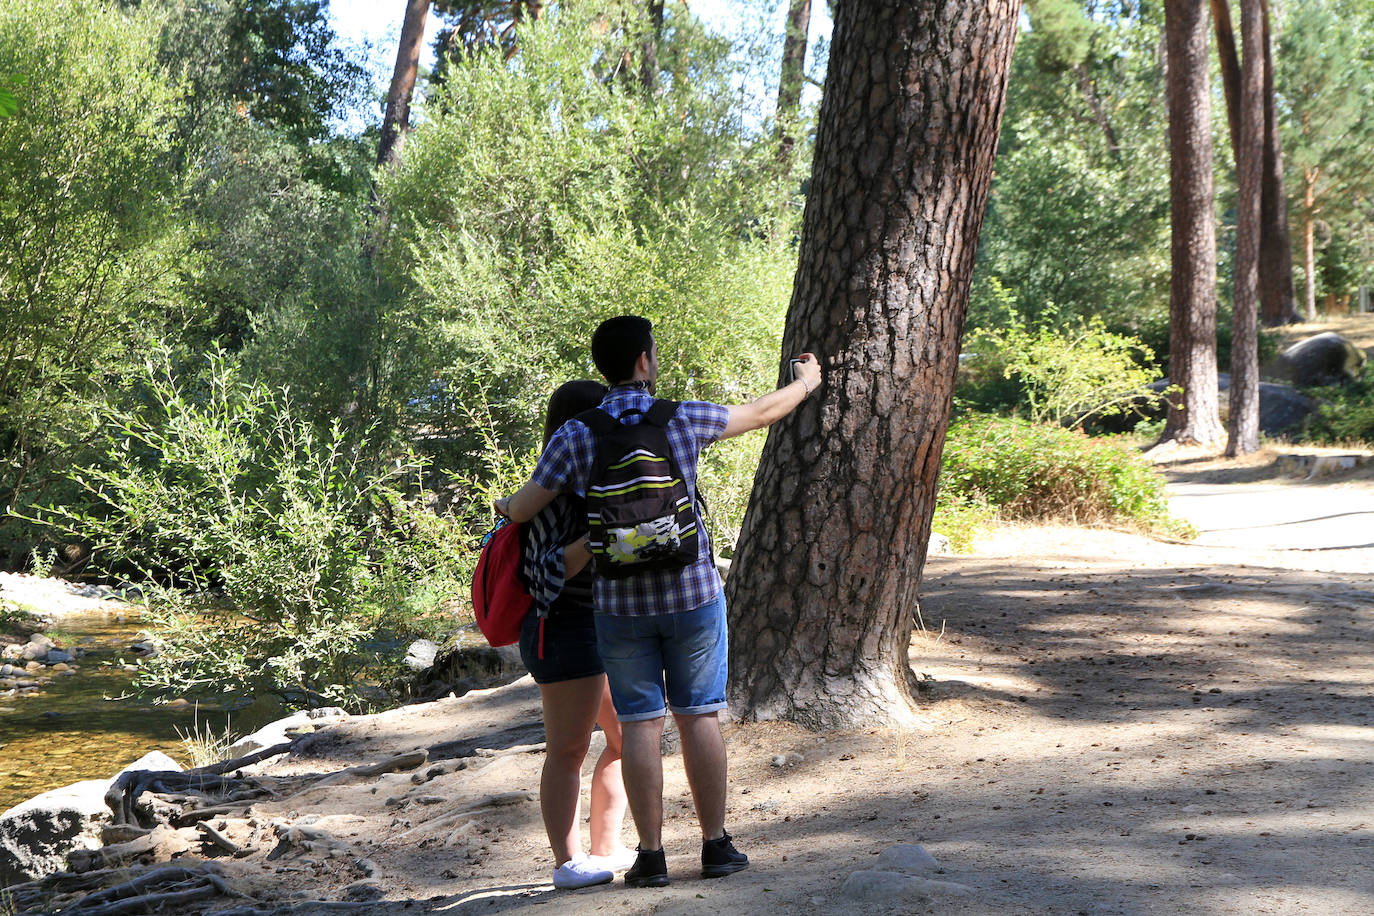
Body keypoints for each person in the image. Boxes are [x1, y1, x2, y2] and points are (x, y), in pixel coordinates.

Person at [495, 315, 821, 888]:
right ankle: (716, 847)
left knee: (641, 725)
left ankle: (650, 857)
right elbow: (762, 413)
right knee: (699, 717)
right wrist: (805, 383)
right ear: (644, 360)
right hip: (693, 594)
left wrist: (504, 506)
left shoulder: (575, 435)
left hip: (619, 608)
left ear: (603, 367)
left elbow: (522, 510)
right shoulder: (683, 417)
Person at [517, 380, 635, 890]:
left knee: (625, 736)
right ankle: (567, 864)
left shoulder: (600, 483)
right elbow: (539, 573)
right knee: (567, 750)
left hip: (601, 628)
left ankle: (606, 848)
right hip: (561, 628)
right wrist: (593, 538)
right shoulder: (550, 496)